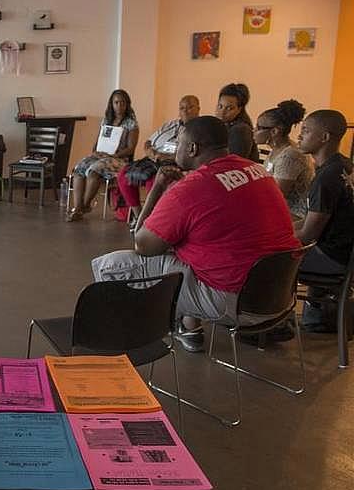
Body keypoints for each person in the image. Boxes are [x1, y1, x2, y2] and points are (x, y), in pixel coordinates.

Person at [91, 116, 300, 353]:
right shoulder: (256, 169)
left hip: (232, 302)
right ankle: (189, 328)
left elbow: (142, 245)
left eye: (178, 143)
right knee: (189, 247)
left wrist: (158, 189)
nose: (175, 149)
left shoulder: (191, 189)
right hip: (278, 299)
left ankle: (126, 347)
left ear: (192, 148)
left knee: (114, 264)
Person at [294, 109, 354, 332]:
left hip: (333, 258)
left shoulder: (326, 177)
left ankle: (266, 324)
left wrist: (272, 240)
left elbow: (309, 234)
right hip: (346, 254)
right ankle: (317, 317)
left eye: (306, 131)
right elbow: (314, 218)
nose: (300, 136)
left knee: (264, 260)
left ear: (325, 137)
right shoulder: (345, 165)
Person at [117, 95, 199, 223]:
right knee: (123, 174)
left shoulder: (199, 129)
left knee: (154, 181)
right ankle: (139, 216)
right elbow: (148, 142)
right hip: (153, 159)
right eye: (182, 108)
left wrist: (168, 157)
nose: (185, 111)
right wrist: (150, 152)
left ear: (198, 109)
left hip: (175, 162)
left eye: (190, 107)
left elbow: (192, 154)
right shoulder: (170, 125)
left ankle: (153, 219)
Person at [67, 89, 140, 222]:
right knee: (79, 168)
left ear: (127, 104)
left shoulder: (131, 123)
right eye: (116, 102)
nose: (119, 105)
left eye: (123, 102)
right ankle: (77, 208)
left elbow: (130, 148)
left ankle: (85, 206)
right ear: (111, 104)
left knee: (95, 170)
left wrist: (113, 154)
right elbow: (97, 143)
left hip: (119, 159)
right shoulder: (107, 120)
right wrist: (96, 152)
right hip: (101, 155)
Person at [253, 100, 312, 222]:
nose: (253, 131)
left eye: (258, 127)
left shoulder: (290, 156)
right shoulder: (276, 150)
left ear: (274, 131)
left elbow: (276, 195)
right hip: (281, 210)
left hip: (295, 215)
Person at [216, 82, 259, 161]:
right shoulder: (222, 124)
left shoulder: (241, 130)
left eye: (229, 108)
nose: (222, 112)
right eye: (220, 106)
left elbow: (233, 163)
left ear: (239, 109)